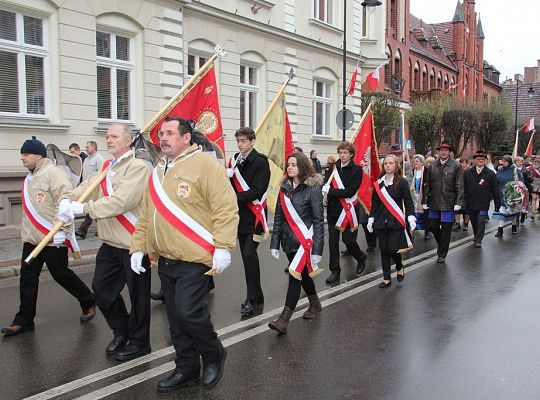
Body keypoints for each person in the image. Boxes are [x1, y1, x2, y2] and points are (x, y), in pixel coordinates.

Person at [130, 117, 238, 393]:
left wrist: (224, 246)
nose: (162, 138)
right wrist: (138, 247)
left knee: (189, 311)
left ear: (186, 137)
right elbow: (146, 215)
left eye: (169, 133)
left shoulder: (205, 165)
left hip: (195, 257)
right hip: (165, 258)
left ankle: (213, 353)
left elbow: (225, 208)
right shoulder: (157, 170)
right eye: (161, 134)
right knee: (176, 319)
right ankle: (186, 368)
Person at [60, 124, 152, 361]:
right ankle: (122, 331)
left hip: (134, 243)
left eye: (114, 136)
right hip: (110, 243)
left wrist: (84, 208)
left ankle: (140, 342)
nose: (108, 139)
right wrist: (66, 200)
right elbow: (84, 189)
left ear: (129, 141)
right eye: (107, 136)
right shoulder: (104, 167)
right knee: (102, 291)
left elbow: (122, 201)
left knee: (138, 297)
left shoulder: (138, 168)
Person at [2, 137, 95, 336]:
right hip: (32, 238)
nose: (22, 157)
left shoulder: (54, 174)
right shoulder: (30, 176)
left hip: (52, 237)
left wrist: (62, 230)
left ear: (38, 155)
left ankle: (87, 299)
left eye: (26, 154)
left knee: (60, 274)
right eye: (22, 154)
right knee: (27, 277)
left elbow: (65, 203)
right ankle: (24, 320)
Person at [268, 152, 324, 334]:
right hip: (289, 241)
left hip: (305, 242)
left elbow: (318, 220)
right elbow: (278, 217)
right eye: (288, 165)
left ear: (302, 166)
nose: (289, 167)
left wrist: (317, 248)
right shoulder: (284, 188)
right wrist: (274, 243)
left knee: (295, 275)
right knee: (304, 274)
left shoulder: (312, 189)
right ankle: (315, 304)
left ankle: (284, 319)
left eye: (293, 164)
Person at [226, 127, 270, 316]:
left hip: (255, 216)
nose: (240, 144)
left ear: (252, 141)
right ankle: (257, 294)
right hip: (239, 216)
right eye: (238, 141)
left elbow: (257, 190)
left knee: (248, 254)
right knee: (247, 257)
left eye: (243, 140)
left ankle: (251, 299)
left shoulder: (260, 161)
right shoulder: (235, 159)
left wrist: (231, 198)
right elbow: (230, 185)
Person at [322, 141, 367, 284]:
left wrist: (330, 191)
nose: (342, 155)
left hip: (348, 212)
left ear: (351, 154)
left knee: (348, 240)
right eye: (340, 152)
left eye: (345, 153)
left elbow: (349, 192)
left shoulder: (357, 170)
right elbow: (325, 184)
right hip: (333, 211)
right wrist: (324, 192)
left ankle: (360, 257)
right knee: (332, 242)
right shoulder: (332, 169)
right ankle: (335, 271)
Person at [368, 155, 415, 288]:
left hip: (395, 221)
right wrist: (371, 218)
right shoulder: (379, 183)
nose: (387, 165)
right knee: (383, 250)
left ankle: (399, 265)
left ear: (396, 165)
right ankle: (387, 277)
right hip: (380, 221)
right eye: (385, 164)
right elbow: (375, 203)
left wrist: (411, 216)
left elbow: (408, 201)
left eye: (390, 163)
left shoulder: (402, 182)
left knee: (392, 249)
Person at [422, 140, 464, 263]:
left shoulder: (456, 166)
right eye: (441, 150)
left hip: (448, 201)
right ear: (439, 152)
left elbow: (459, 185)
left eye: (446, 150)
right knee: (432, 226)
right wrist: (425, 200)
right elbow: (427, 185)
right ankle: (442, 244)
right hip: (434, 200)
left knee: (446, 229)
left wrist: (458, 202)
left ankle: (442, 254)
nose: (443, 152)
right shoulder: (433, 165)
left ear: (449, 152)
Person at [463, 150, 501, 248]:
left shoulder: (490, 173)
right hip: (471, 202)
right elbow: (463, 188)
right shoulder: (468, 172)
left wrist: (497, 203)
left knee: (481, 221)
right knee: (474, 222)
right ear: (474, 160)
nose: (480, 161)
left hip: (483, 203)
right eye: (478, 159)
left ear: (486, 161)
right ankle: (476, 235)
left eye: (483, 159)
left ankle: (479, 239)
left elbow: (495, 189)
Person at [75, 141, 105, 239]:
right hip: (86, 188)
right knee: (92, 210)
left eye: (87, 147)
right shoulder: (86, 160)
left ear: (93, 147)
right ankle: (103, 228)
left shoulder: (99, 159)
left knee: (92, 209)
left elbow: (102, 174)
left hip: (95, 189)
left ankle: (82, 230)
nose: (86, 148)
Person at [493, 155, 524, 237]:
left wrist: (518, 182)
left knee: (512, 211)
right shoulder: (499, 171)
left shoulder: (515, 170)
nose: (503, 163)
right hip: (502, 194)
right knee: (502, 212)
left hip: (512, 194)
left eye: (505, 161)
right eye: (502, 161)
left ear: (509, 162)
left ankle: (514, 226)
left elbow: (521, 182)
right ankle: (500, 230)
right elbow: (496, 182)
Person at [411, 154, 429, 240]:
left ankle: (426, 231)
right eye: (414, 161)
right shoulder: (412, 171)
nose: (415, 163)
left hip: (423, 196)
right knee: (413, 215)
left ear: (422, 163)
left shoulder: (427, 171)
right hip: (414, 196)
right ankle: (412, 232)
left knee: (425, 215)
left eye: (417, 161)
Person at [453, 157, 470, 231]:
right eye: (460, 163)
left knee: (466, 210)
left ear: (466, 164)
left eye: (463, 163)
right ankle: (457, 223)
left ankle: (466, 224)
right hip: (458, 192)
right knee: (457, 210)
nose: (462, 164)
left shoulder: (469, 172)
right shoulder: (456, 171)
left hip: (467, 193)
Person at [515, 156, 533, 225]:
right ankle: (516, 218)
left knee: (524, 203)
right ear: (515, 162)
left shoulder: (526, 170)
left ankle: (523, 215)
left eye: (521, 161)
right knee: (516, 203)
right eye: (518, 161)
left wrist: (527, 175)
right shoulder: (513, 169)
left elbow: (530, 180)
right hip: (516, 189)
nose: (520, 163)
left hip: (524, 188)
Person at [527, 149, 540, 221]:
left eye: (539, 158)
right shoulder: (533, 165)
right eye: (537, 158)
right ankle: (533, 213)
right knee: (534, 198)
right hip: (534, 183)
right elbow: (530, 174)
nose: (538, 159)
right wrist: (531, 177)